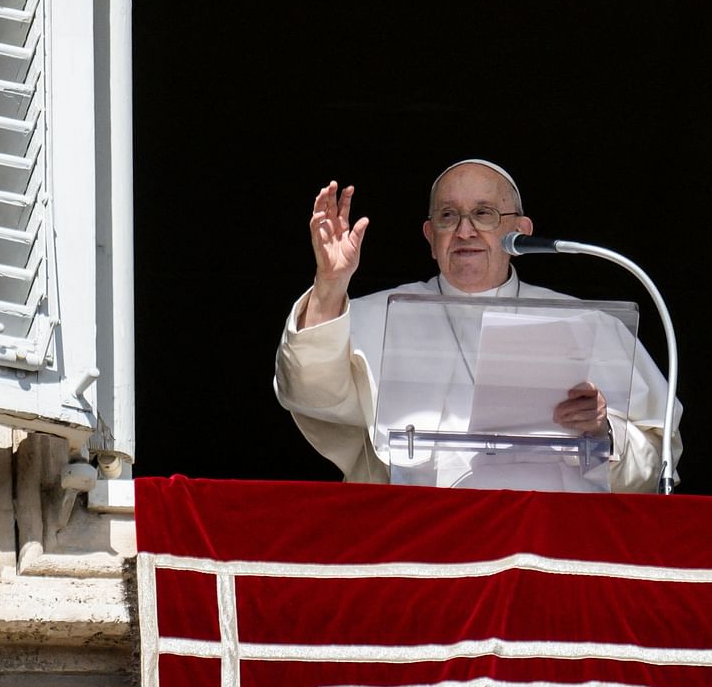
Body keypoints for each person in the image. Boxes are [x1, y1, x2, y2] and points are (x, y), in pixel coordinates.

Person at [274, 159, 681, 492]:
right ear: (431, 237)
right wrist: (330, 284)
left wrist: (601, 431)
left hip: (551, 544)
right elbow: (307, 391)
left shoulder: (590, 324)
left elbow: (659, 458)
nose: (465, 230)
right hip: (422, 547)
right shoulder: (380, 314)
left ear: (519, 232)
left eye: (484, 214)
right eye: (449, 216)